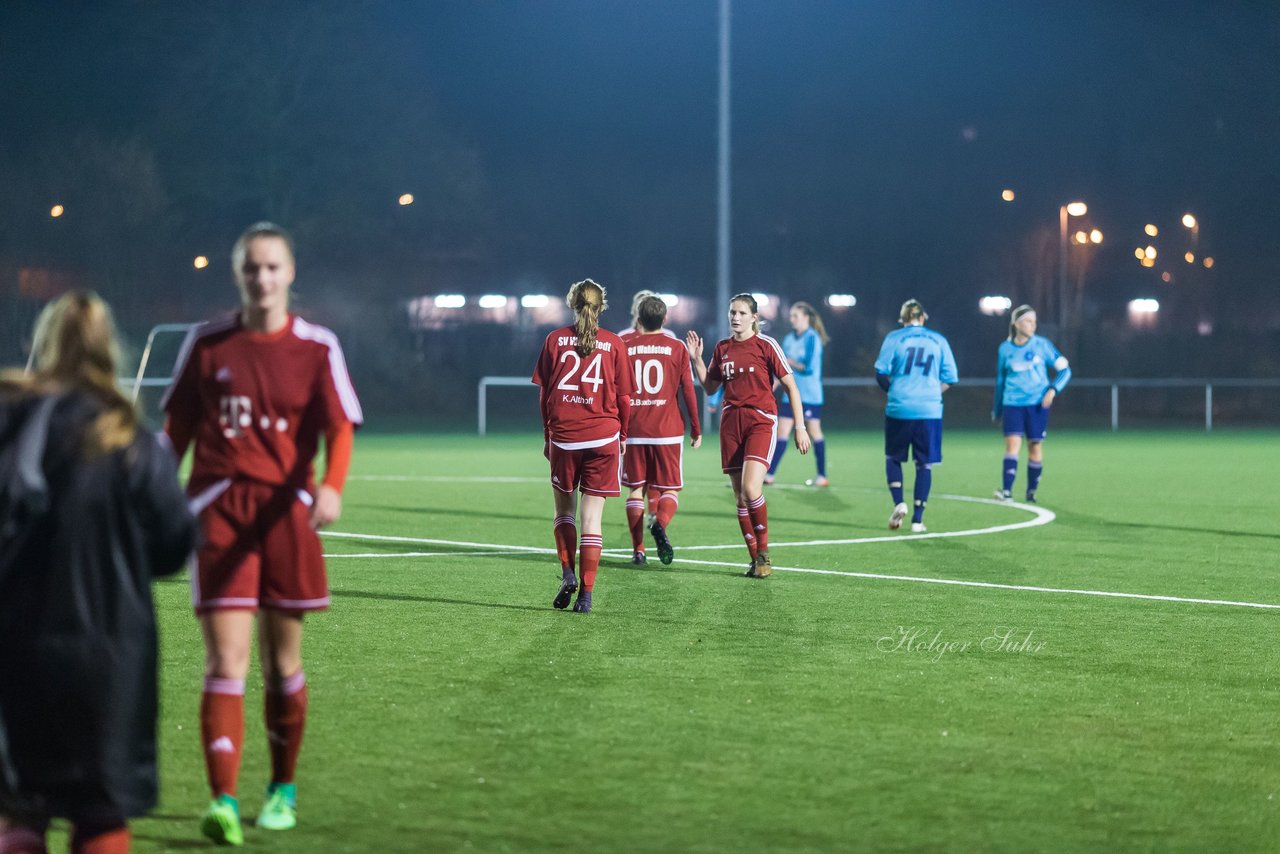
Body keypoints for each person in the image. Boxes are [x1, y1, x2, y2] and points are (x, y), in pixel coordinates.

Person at [162, 222, 363, 845]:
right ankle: (222, 800)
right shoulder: (206, 344)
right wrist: (156, 495)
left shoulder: (317, 346)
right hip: (219, 515)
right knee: (226, 658)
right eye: (251, 268)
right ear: (238, 274)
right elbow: (175, 434)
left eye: (272, 267)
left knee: (282, 665)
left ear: (290, 273)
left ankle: (281, 789)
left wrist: (331, 488)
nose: (262, 277)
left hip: (286, 515)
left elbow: (340, 427)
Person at [0, 292, 197, 854]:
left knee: (21, 810)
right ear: (109, 348)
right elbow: (173, 545)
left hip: (15, 649)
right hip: (110, 658)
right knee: (101, 813)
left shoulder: (9, 421)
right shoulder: (128, 435)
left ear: (41, 345)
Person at [686, 293, 810, 578]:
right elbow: (709, 386)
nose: (735, 317)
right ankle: (756, 559)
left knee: (752, 489)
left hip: (760, 421)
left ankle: (764, 551)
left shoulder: (766, 345)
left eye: (742, 313)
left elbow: (791, 386)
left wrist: (799, 427)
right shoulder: (722, 347)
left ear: (755, 317)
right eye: (732, 312)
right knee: (740, 497)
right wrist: (697, 360)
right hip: (731, 424)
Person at [531, 279, 633, 613]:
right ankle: (586, 595)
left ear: (572, 303)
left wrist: (548, 436)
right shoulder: (615, 344)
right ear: (602, 306)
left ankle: (567, 574)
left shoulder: (554, 340)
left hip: (565, 438)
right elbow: (624, 399)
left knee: (564, 512)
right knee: (593, 521)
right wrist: (622, 436)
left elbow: (545, 395)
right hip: (603, 437)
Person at [619, 295, 701, 566]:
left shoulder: (624, 345)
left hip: (633, 428)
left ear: (638, 319)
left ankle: (638, 550)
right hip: (667, 430)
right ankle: (660, 524)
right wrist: (696, 428)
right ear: (665, 320)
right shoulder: (676, 347)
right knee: (670, 490)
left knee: (634, 489)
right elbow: (688, 390)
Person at [873, 299, 958, 533]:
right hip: (929, 410)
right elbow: (950, 377)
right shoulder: (939, 340)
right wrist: (930, 392)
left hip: (900, 407)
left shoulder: (894, 338)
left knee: (893, 458)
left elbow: (881, 373)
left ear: (903, 319)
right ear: (923, 317)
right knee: (925, 465)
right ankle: (918, 519)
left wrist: (896, 391)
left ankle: (899, 502)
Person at [992, 304, 1071, 503]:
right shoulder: (1005, 349)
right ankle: (1007, 491)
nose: (1032, 325)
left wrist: (1053, 390)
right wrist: (997, 408)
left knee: (1034, 447)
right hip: (1012, 404)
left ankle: (1031, 492)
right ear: (1016, 324)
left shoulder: (1042, 345)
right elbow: (1000, 380)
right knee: (1012, 445)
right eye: (1028, 321)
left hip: (1036, 404)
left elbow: (1065, 370)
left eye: (1034, 322)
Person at [765, 301, 830, 487]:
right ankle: (769, 474)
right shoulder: (788, 339)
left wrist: (790, 362)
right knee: (782, 432)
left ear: (806, 318)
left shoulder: (812, 338)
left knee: (814, 431)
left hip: (809, 395)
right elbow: (781, 369)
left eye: (796, 316)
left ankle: (822, 475)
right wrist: (770, 388)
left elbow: (808, 367)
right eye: (791, 316)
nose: (792, 319)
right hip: (790, 395)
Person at [619, 289, 662, 523]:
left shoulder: (667, 337)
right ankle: (652, 516)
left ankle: (653, 513)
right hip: (640, 417)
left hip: (646, 416)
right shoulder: (622, 337)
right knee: (641, 480)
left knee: (648, 477)